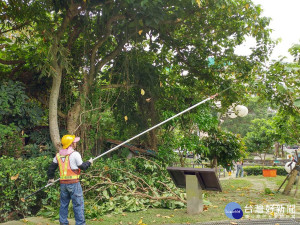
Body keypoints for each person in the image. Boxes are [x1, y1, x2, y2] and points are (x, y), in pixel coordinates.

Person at [47, 134, 93, 225]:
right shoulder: (75, 154)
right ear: (71, 144)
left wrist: (51, 178)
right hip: (74, 184)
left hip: (63, 184)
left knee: (64, 204)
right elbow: (83, 167)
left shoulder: (58, 155)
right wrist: (89, 162)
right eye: (74, 142)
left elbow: (51, 169)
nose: (76, 143)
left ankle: (63, 222)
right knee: (78, 205)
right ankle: (80, 223)